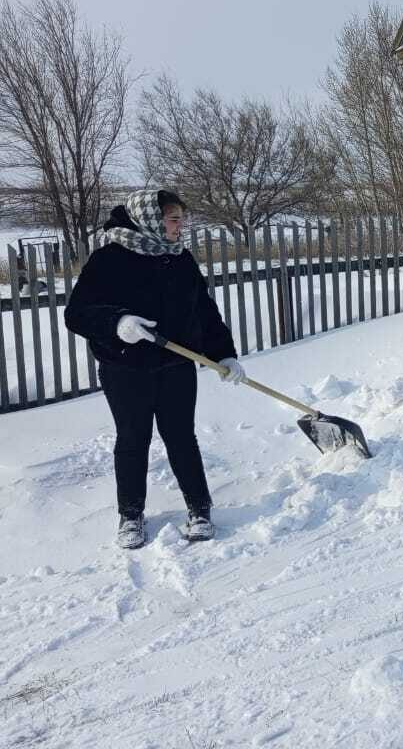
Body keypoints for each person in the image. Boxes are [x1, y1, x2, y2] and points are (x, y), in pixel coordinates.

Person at [65, 190, 246, 549]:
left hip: (176, 366)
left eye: (181, 218)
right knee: (133, 440)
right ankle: (130, 514)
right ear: (150, 218)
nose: (181, 226)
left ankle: (199, 507)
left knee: (181, 437)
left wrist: (224, 354)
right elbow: (77, 313)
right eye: (174, 218)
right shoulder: (109, 259)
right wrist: (117, 322)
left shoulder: (179, 259)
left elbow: (204, 311)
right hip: (125, 367)